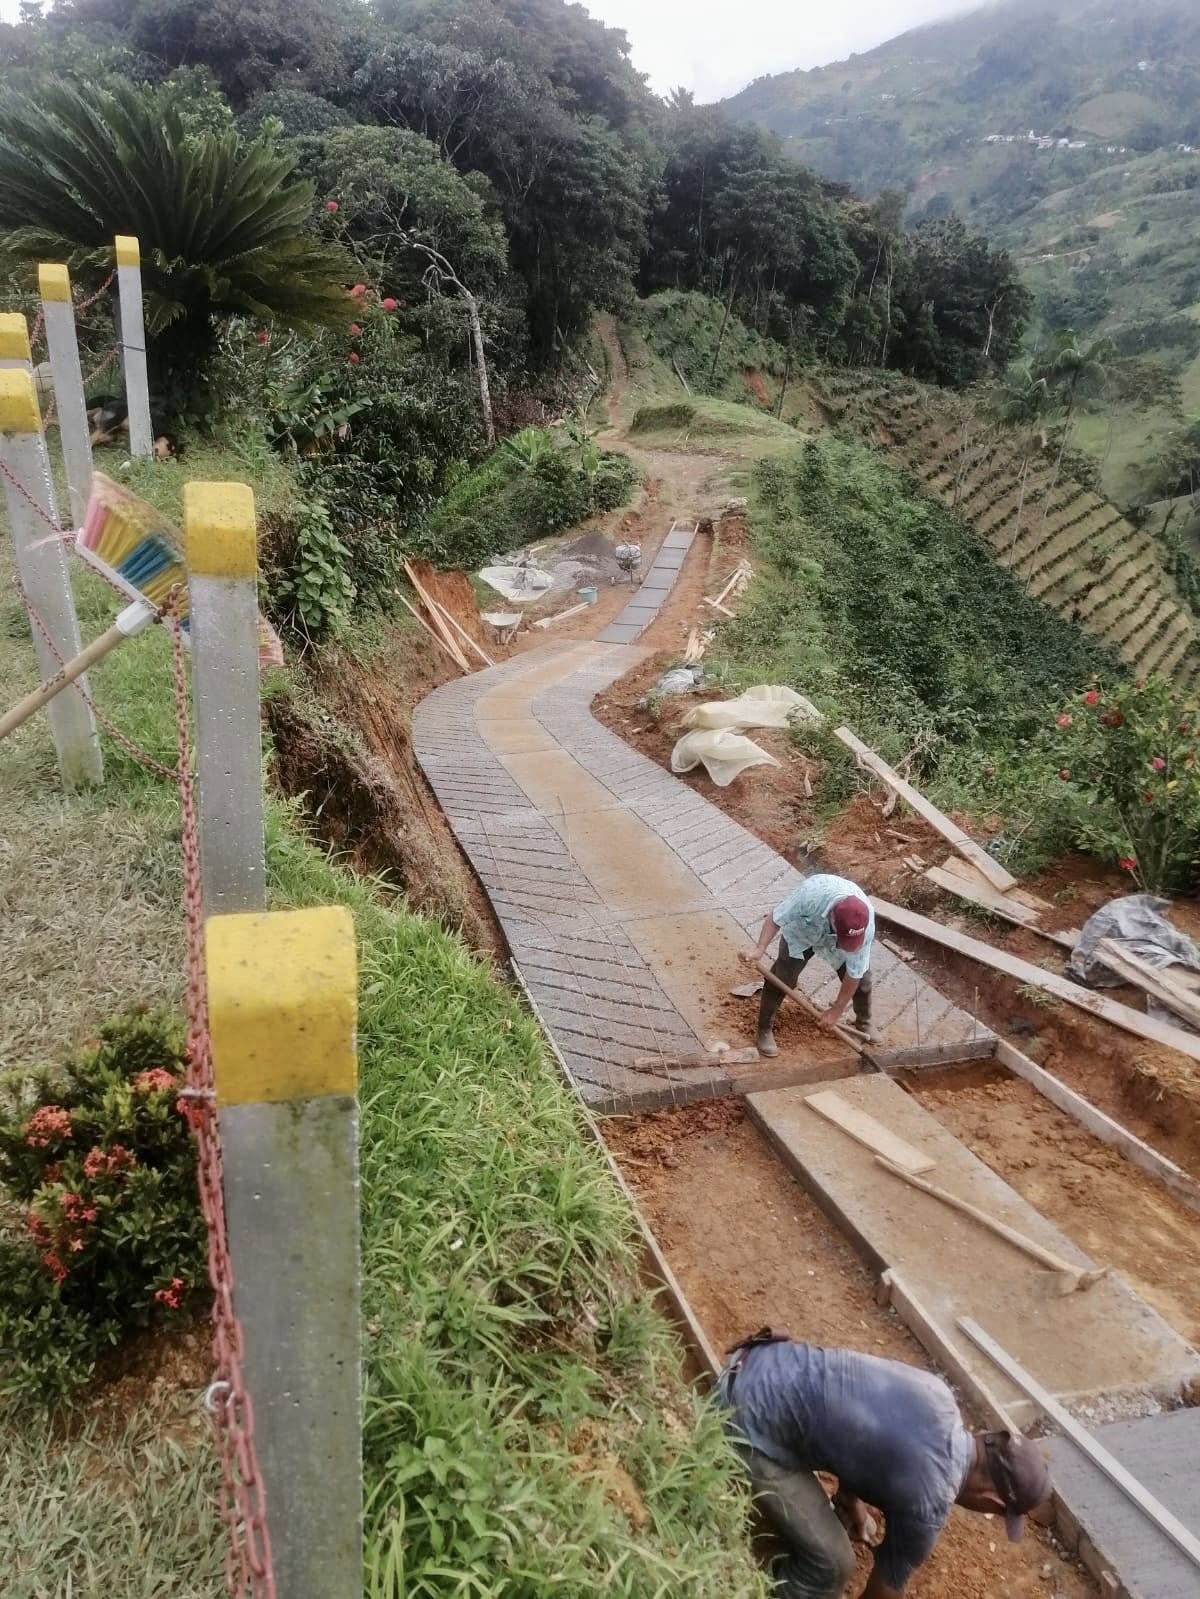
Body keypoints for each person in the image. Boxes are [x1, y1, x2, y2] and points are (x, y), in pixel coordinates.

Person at [719, 1330, 1052, 1599]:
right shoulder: (930, 1505)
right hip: (744, 1426)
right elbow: (882, 1594)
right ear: (991, 1502)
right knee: (834, 1567)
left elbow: (864, 1423)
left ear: (984, 1436)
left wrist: (851, 1503)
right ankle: (754, 1587)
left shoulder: (937, 1394)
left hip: (754, 1362)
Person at [744, 874, 877, 1055]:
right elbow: (775, 918)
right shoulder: (809, 895)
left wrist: (836, 1010)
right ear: (832, 918)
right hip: (803, 931)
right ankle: (764, 1029)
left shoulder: (865, 925)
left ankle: (864, 1022)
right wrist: (759, 949)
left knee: (863, 981)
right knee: (782, 977)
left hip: (835, 937)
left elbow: (855, 972)